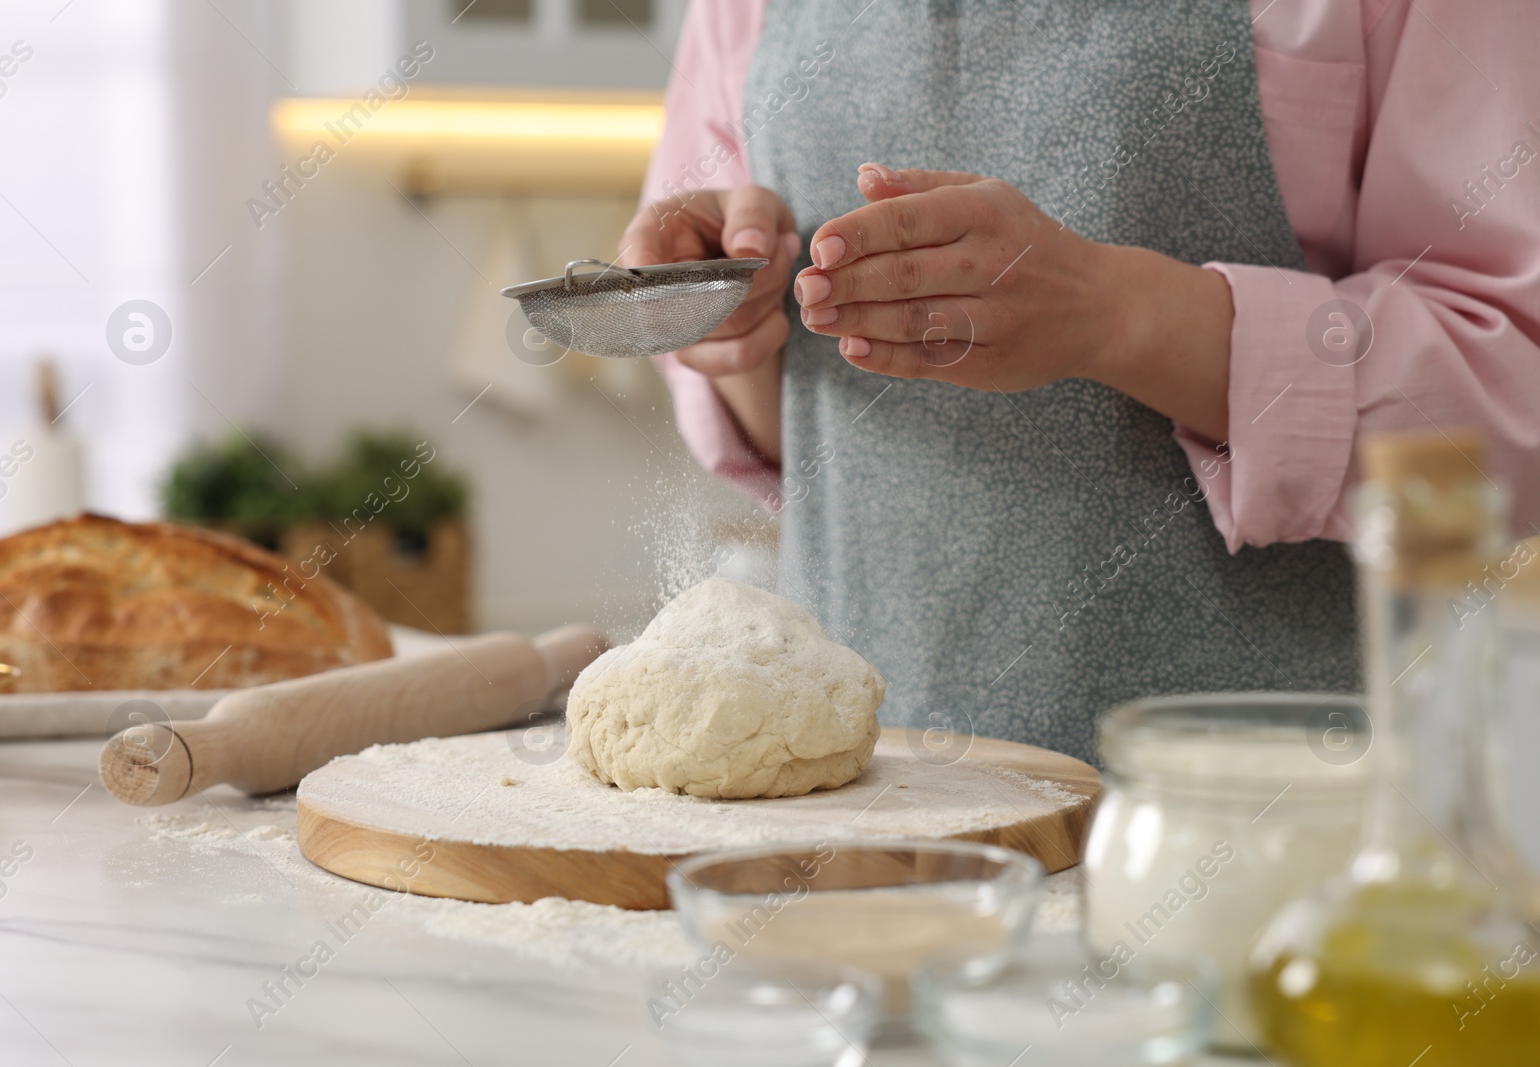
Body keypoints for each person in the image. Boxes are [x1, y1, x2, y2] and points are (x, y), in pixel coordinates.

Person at [618, 0, 1540, 764]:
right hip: (866, 827)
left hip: (1271, 825)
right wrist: (733, 310)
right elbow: (798, 435)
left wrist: (1118, 315)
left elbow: (1513, 385)